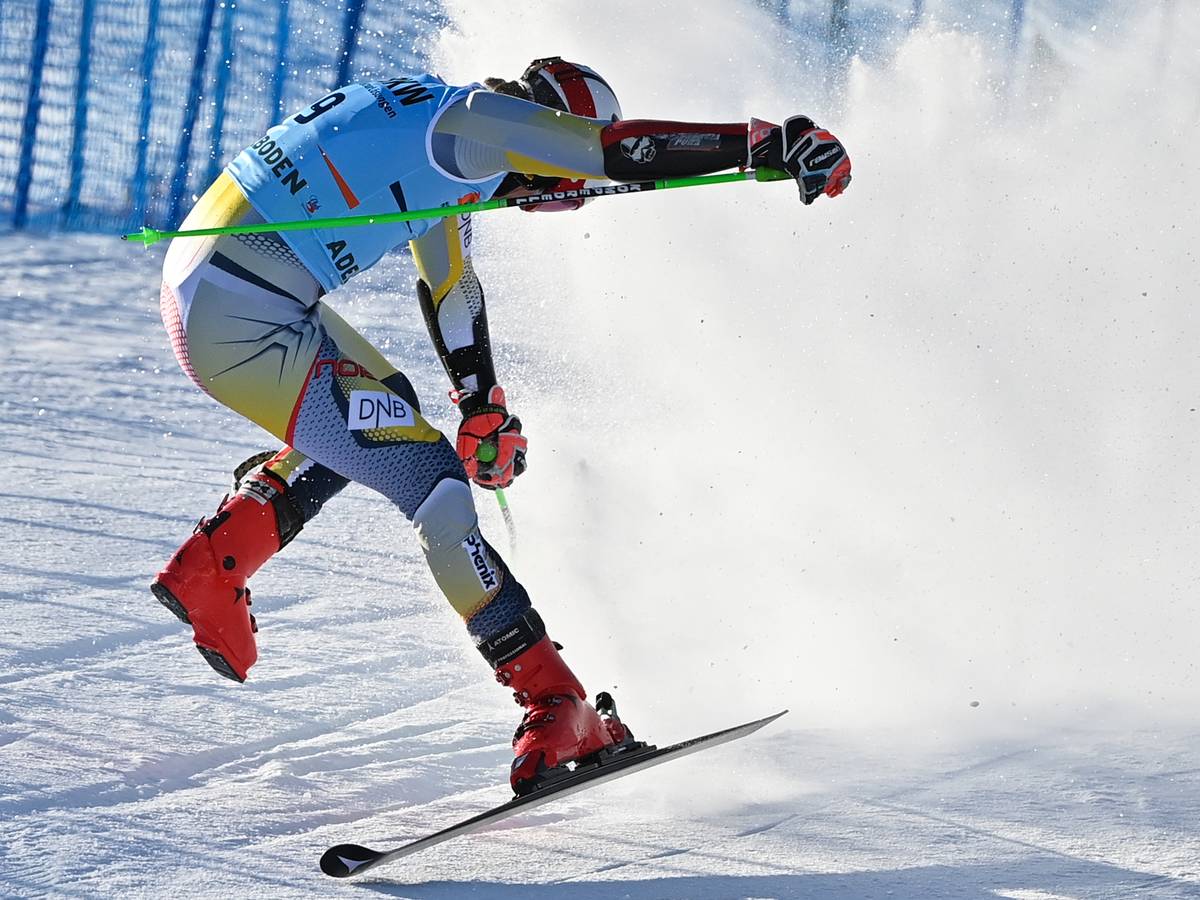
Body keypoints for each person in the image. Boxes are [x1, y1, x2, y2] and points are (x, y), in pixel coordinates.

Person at [151, 57, 851, 794]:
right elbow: (619, 151)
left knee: (383, 398)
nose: (544, 201)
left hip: (216, 284)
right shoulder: (483, 126)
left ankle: (217, 558)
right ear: (547, 134)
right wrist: (766, 142)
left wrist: (479, 399)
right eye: (560, 188)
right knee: (432, 487)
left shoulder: (453, 131)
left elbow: (449, 282)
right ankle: (553, 701)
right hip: (243, 319)